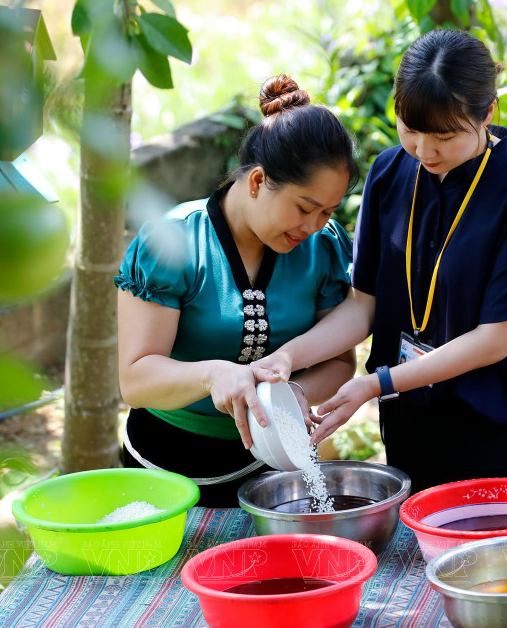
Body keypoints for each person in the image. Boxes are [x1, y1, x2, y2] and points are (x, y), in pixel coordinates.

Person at [254, 30, 507, 493]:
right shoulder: (388, 173)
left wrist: (378, 383)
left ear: (487, 113)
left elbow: (493, 341)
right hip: (414, 435)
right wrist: (289, 358)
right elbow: (364, 304)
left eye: (444, 136)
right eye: (411, 129)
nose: (425, 152)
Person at [116, 75, 359, 507]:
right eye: (304, 208)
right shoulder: (173, 243)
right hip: (164, 471)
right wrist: (214, 374)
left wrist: (294, 393)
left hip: (276, 469)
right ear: (257, 182)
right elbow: (136, 380)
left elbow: (340, 361)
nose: (314, 225)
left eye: (327, 211)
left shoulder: (323, 247)